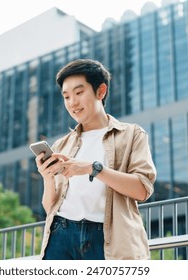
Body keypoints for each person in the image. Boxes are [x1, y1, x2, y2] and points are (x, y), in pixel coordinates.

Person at [35, 59, 156, 260]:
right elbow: (50, 208)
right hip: (61, 235)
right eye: (66, 96)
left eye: (79, 93)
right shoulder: (61, 145)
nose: (72, 103)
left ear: (101, 91)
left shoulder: (131, 134)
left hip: (108, 238)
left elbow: (142, 189)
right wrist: (47, 177)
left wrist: (93, 169)